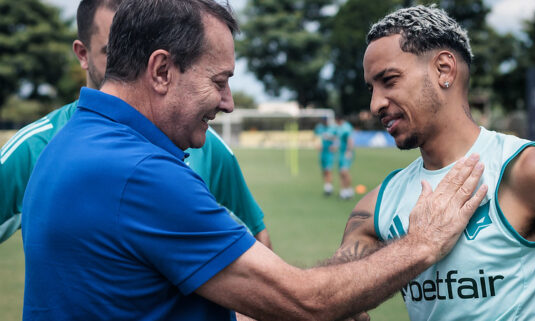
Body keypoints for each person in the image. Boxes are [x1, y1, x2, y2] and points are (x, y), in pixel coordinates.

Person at [21, 0, 488, 319]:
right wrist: (422, 243)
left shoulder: (74, 139)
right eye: (219, 80)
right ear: (162, 71)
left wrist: (335, 286)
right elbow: (304, 302)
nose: (227, 102)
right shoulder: (139, 173)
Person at [332, 5, 535, 320]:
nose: (375, 104)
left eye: (388, 80)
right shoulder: (375, 207)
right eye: (371, 89)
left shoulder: (527, 171)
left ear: (444, 69)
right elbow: (333, 303)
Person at [0, 0, 271, 248]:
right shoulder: (36, 146)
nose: (133, 62)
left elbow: (257, 241)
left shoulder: (203, 143)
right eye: (114, 50)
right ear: (83, 54)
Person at [313, 118, 336, 196]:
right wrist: (317, 144)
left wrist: (334, 146)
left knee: (328, 169)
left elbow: (337, 138)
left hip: (329, 152)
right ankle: (326, 186)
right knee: (323, 170)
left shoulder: (333, 129)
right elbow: (315, 137)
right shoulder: (319, 128)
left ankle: (329, 187)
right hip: (322, 152)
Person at [334, 115, 355, 200]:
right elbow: (338, 139)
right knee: (340, 172)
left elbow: (350, 140)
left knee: (344, 171)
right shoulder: (339, 127)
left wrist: (349, 151)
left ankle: (349, 190)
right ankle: (343, 191)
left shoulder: (346, 127)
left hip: (346, 152)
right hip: (341, 153)